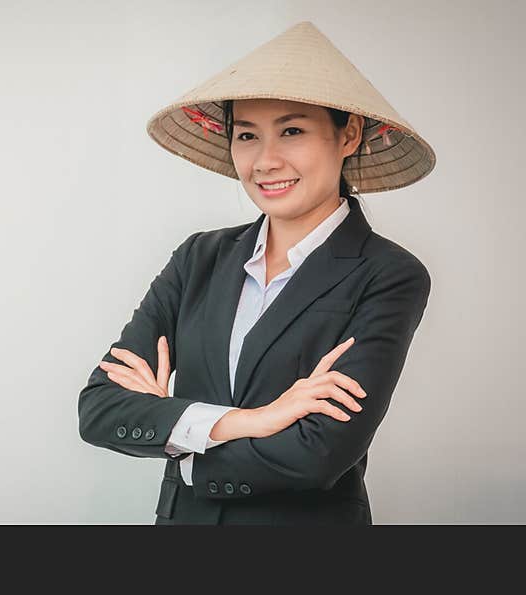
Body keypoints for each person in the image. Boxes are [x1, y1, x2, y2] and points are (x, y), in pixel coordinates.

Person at [77, 21, 435, 525]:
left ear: (348, 134)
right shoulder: (198, 258)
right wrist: (255, 421)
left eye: (292, 131)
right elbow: (100, 409)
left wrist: (181, 442)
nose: (265, 161)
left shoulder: (388, 274)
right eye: (246, 135)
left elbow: (319, 454)